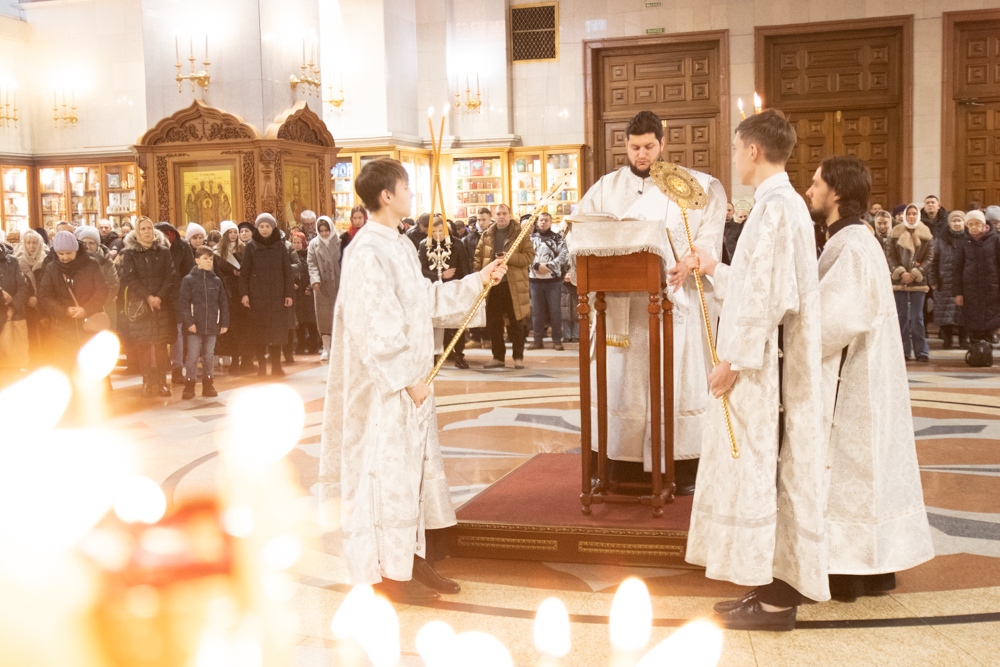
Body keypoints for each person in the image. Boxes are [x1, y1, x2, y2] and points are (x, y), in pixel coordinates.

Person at [317, 158, 506, 603]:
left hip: (408, 382)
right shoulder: (366, 251)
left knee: (408, 477)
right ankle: (386, 576)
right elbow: (376, 324)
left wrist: (479, 280)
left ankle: (407, 560)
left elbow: (424, 300)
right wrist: (407, 379)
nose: (411, 194)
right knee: (385, 476)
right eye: (405, 187)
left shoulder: (399, 244)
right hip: (384, 389)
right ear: (387, 195)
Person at [686, 109, 829, 630]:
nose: (734, 157)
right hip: (764, 360)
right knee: (761, 472)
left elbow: (767, 298)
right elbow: (754, 285)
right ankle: (765, 584)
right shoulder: (778, 204)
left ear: (752, 149)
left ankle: (776, 603)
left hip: (767, 369)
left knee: (769, 471)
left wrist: (732, 361)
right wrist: (714, 269)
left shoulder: (776, 207)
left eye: (735, 148)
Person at [576, 109, 726, 494]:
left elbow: (708, 239)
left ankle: (680, 465)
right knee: (622, 383)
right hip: (619, 308)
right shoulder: (606, 187)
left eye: (648, 147)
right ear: (625, 146)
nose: (641, 154)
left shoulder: (691, 185)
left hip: (672, 305)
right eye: (634, 147)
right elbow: (580, 232)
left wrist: (690, 262)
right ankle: (618, 465)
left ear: (662, 143)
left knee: (673, 383)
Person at [807, 156, 934, 603]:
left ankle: (851, 572)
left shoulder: (853, 245)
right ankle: (867, 569)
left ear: (837, 192)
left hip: (855, 383)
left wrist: (781, 328)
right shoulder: (851, 240)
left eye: (816, 183)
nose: (809, 190)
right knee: (862, 474)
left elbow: (833, 321)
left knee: (854, 474)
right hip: (860, 375)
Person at [120, 217, 179, 397]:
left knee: (161, 345)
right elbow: (130, 279)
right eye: (143, 229)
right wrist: (148, 297)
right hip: (141, 305)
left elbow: (171, 276)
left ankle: (162, 381)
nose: (147, 231)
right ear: (137, 232)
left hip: (162, 305)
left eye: (149, 228)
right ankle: (146, 380)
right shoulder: (130, 253)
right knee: (143, 345)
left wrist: (159, 297)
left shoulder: (163, 251)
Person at [36, 232, 108, 373]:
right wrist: (65, 311)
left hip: (89, 325)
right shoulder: (51, 268)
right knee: (66, 367)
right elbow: (44, 295)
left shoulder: (91, 264)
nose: (64, 257)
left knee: (92, 367)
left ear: (76, 250)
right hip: (63, 328)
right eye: (60, 254)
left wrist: (86, 309)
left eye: (68, 253)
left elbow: (102, 290)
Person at [473, 203, 533, 369]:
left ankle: (518, 357)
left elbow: (529, 257)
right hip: (493, 285)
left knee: (516, 322)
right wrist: (480, 277)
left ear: (510, 215)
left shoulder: (520, 234)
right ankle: (498, 357)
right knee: (494, 323)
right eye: (498, 214)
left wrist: (509, 257)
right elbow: (478, 257)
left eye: (504, 213)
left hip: (512, 285)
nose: (501, 216)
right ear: (494, 216)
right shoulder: (487, 234)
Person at [239, 213, 294, 377]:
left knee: (277, 332)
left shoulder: (280, 246)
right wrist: (244, 294)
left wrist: (289, 294)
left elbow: (287, 272)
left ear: (273, 227)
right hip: (257, 296)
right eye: (261, 226)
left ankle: (276, 366)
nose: (264, 229)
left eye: (267, 226)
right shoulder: (251, 247)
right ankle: (262, 367)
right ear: (257, 228)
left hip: (277, 296)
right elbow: (245, 273)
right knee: (259, 333)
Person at [418, 216, 473, 369]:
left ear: (446, 230)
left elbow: (464, 266)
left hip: (454, 288)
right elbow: (421, 269)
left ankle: (459, 354)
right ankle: (434, 356)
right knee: (435, 323)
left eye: (440, 231)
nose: (437, 235)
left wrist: (465, 287)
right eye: (434, 231)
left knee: (456, 323)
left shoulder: (457, 244)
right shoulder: (424, 245)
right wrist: (440, 275)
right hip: (433, 289)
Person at [178, 246, 230, 400]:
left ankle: (208, 384)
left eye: (211, 259)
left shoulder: (216, 281)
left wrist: (224, 323)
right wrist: (189, 322)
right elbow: (184, 304)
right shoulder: (188, 280)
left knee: (208, 355)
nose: (208, 261)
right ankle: (189, 385)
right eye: (205, 258)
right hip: (194, 325)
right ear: (197, 260)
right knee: (193, 356)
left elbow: (223, 303)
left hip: (212, 324)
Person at [887, 204, 934, 362]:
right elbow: (890, 256)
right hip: (899, 281)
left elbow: (929, 258)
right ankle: (903, 351)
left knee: (917, 317)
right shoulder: (895, 233)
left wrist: (915, 273)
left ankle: (921, 351)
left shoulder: (926, 234)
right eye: (909, 214)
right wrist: (901, 272)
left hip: (918, 282)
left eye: (914, 214)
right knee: (902, 317)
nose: (912, 217)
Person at [155, 222, 195, 384]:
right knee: (157, 333)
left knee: (177, 333)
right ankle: (158, 370)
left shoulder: (182, 246)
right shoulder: (151, 246)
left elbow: (189, 271)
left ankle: (177, 369)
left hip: (176, 295)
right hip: (156, 295)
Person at [954, 210, 1000, 346]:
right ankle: (976, 351)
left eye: (977, 223)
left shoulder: (996, 239)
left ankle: (988, 348)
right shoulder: (963, 241)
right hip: (970, 290)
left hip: (991, 288)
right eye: (971, 224)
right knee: (973, 323)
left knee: (991, 321)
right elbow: (957, 268)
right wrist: (958, 292)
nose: (974, 227)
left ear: (984, 224)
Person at [215, 220, 253, 375]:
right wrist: (232, 273)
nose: (233, 235)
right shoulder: (217, 252)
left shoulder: (244, 248)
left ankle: (247, 361)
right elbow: (218, 272)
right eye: (230, 232)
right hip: (228, 293)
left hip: (243, 292)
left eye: (234, 232)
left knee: (246, 328)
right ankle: (235, 361)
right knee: (233, 329)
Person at [529, 212, 568, 351]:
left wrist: (550, 266)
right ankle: (537, 341)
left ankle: (557, 341)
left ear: (551, 222)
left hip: (553, 280)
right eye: (541, 220)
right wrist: (536, 266)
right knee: (537, 312)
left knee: (555, 311)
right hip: (535, 280)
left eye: (546, 220)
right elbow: (526, 255)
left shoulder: (558, 238)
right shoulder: (530, 238)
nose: (543, 222)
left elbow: (564, 254)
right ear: (537, 222)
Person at [929, 210, 968, 349]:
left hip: (964, 282)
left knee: (964, 312)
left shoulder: (969, 239)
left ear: (964, 223)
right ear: (949, 223)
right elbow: (933, 261)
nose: (957, 223)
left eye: (959, 220)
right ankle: (947, 340)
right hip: (944, 282)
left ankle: (964, 340)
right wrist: (933, 280)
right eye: (954, 221)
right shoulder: (941, 239)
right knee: (944, 313)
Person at [13, 229, 49, 368]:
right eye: (28, 243)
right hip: (25, 307)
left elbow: (50, 284)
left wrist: (38, 298)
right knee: (29, 338)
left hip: (44, 306)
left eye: (34, 243)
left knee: (46, 339)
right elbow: (16, 285)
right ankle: (32, 366)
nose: (31, 246)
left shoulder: (46, 260)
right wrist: (27, 297)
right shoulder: (16, 261)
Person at [308, 216, 342, 362]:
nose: (324, 233)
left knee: (339, 316)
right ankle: (326, 347)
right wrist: (315, 280)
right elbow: (312, 264)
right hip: (323, 286)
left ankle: (338, 347)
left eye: (326, 230)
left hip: (339, 283)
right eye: (321, 231)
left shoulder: (340, 241)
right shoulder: (313, 244)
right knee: (324, 318)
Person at [75, 226, 119, 331]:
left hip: (105, 307)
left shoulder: (106, 261)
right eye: (84, 243)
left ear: (97, 244)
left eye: (91, 243)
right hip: (83, 308)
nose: (87, 246)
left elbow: (113, 284)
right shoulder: (76, 261)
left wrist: (97, 303)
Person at [0, 239, 28, 382]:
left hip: (13, 318)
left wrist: (13, 306)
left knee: (13, 366)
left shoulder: (12, 262)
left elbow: (24, 287)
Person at [464, 208, 493, 348]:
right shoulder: (469, 238)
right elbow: (466, 259)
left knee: (489, 309)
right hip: (474, 276)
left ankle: (487, 338)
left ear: (489, 219)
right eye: (479, 220)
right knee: (474, 308)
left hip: (490, 277)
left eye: (484, 220)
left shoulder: (494, 235)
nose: (481, 222)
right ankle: (475, 338)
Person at [291, 231, 320, 355]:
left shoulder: (308, 255)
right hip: (296, 294)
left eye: (299, 242)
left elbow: (313, 271)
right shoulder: (290, 256)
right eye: (294, 242)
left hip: (308, 294)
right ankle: (300, 346)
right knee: (300, 323)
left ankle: (313, 346)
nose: (296, 245)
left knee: (311, 321)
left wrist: (309, 287)